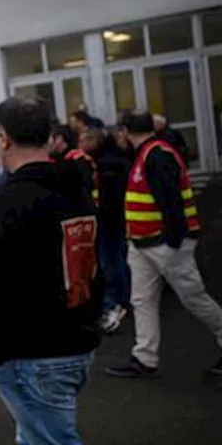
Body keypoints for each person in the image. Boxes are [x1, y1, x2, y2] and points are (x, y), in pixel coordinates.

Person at [0, 96, 181, 445]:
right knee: (37, 444)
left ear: (2, 139)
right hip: (70, 342)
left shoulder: (9, 203)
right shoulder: (75, 187)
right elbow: (88, 266)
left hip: (34, 353)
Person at [108, 111, 221, 378]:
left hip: (163, 243)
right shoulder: (149, 153)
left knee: (194, 297)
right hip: (145, 243)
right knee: (142, 300)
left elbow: (171, 202)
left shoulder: (157, 155)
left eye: (119, 132)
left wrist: (174, 241)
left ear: (125, 131)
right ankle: (144, 358)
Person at [87, 127, 132, 333]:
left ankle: (117, 300)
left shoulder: (106, 165)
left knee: (111, 261)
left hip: (109, 220)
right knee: (118, 258)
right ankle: (123, 299)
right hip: (119, 218)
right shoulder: (118, 160)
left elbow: (107, 197)